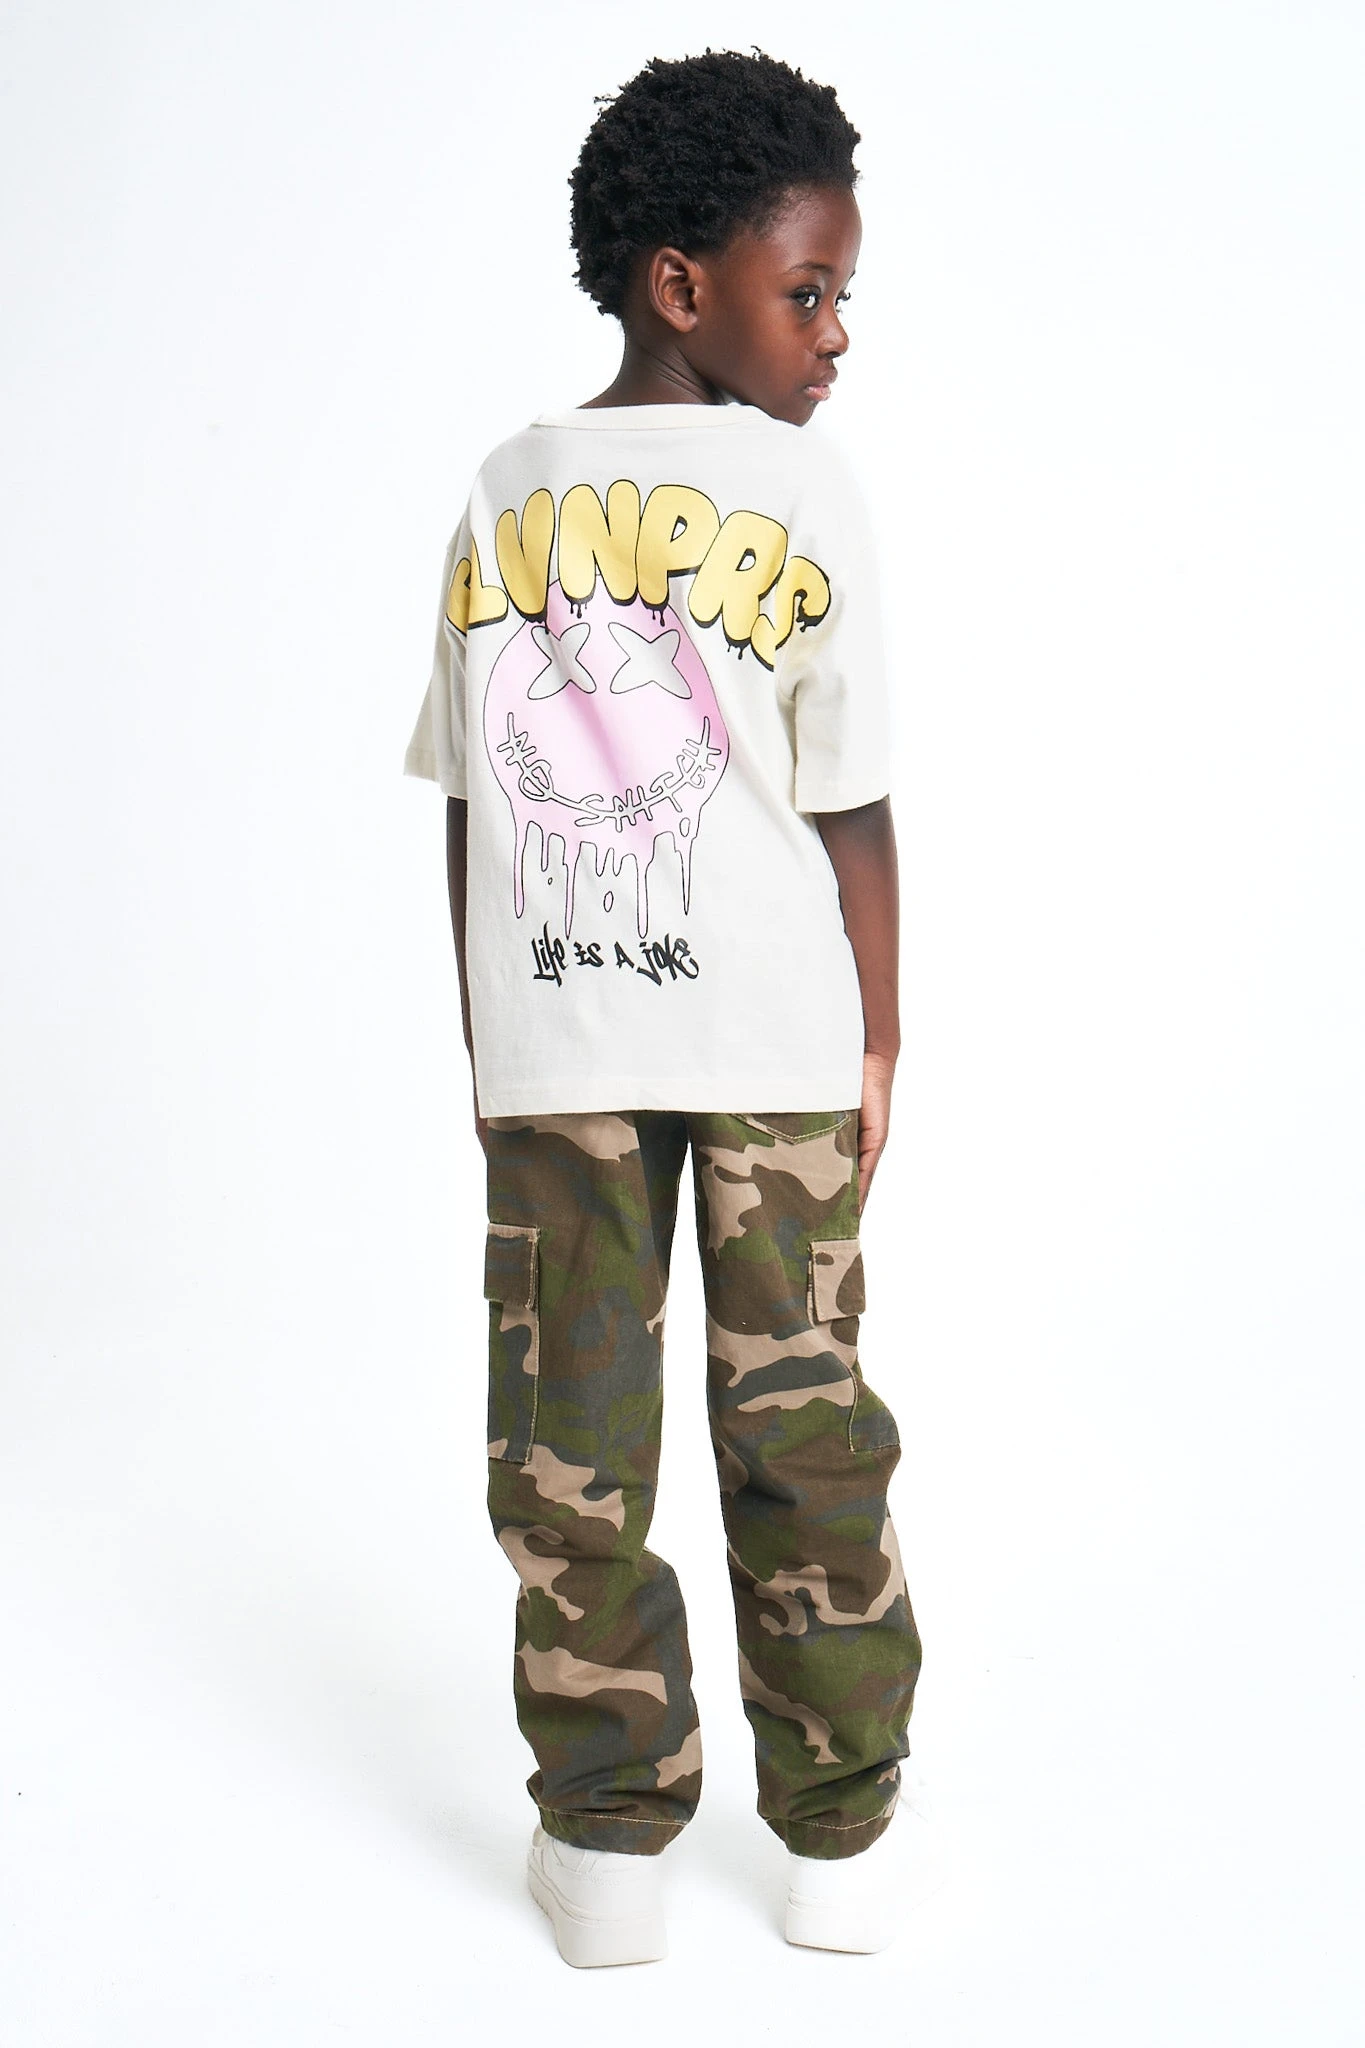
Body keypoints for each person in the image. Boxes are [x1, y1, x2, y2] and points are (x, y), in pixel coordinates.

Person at [404, 48, 926, 1966]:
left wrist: (487, 1027)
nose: (839, 333)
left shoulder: (506, 490)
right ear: (680, 283)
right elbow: (853, 803)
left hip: (561, 1042)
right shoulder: (806, 493)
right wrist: (884, 1032)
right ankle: (840, 1845)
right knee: (806, 1429)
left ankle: (609, 1847)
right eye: (811, 291)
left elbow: (470, 804)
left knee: (570, 1447)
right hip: (779, 1044)